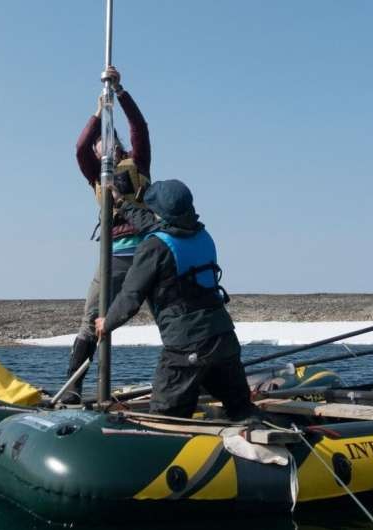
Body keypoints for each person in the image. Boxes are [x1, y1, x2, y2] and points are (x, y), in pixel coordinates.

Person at [95, 180, 257, 421]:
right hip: (223, 339)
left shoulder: (153, 248)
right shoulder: (201, 233)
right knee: (241, 408)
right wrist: (121, 202)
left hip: (187, 348)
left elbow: (131, 296)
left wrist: (106, 323)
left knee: (164, 418)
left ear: (160, 212)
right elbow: (154, 226)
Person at [61, 66, 152, 404]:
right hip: (113, 254)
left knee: (172, 315)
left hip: (149, 251)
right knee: (91, 320)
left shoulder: (138, 163)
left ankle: (197, 378)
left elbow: (139, 127)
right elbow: (80, 147)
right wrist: (99, 112)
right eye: (100, 143)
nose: (103, 145)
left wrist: (121, 92)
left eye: (108, 140)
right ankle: (73, 388)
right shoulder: (95, 175)